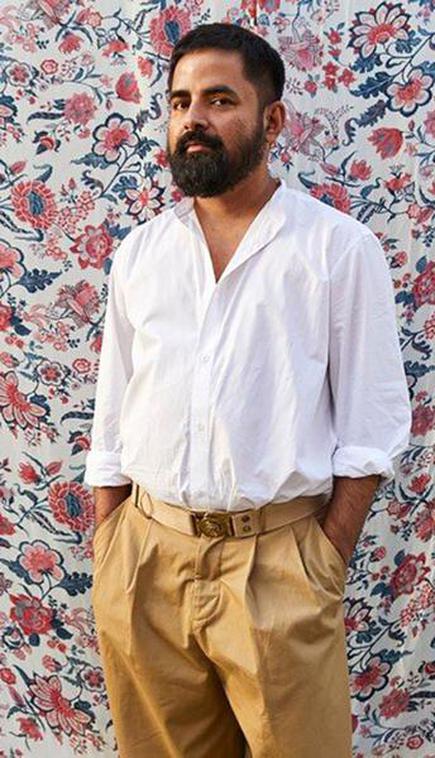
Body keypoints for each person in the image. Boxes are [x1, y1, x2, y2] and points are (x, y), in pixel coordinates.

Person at [84, 22, 411, 758]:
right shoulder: (141, 253)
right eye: (180, 102)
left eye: (219, 99)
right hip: (145, 562)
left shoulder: (336, 250)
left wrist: (322, 560)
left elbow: (372, 425)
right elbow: (114, 412)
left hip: (278, 565)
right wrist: (111, 545)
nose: (192, 119)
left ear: (272, 120)